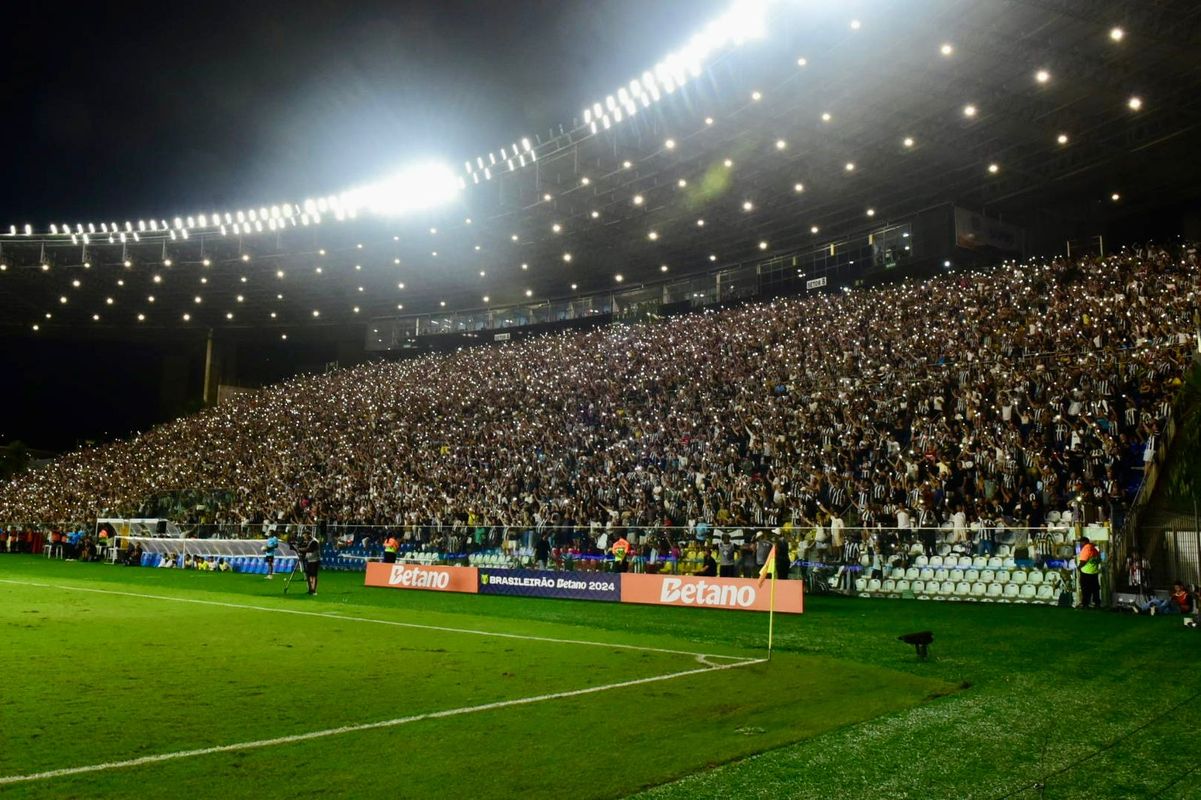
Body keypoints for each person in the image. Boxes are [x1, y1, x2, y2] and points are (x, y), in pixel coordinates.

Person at [1077, 537, 1102, 609]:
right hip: (1094, 572)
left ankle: (1085, 604)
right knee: (1095, 589)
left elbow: (1083, 561)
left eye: (1081, 542)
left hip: (1086, 572)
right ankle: (1096, 603)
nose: (1080, 544)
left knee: (1085, 589)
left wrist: (1079, 567)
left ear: (1085, 542)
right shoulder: (1094, 549)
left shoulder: (1086, 548)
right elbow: (1099, 560)